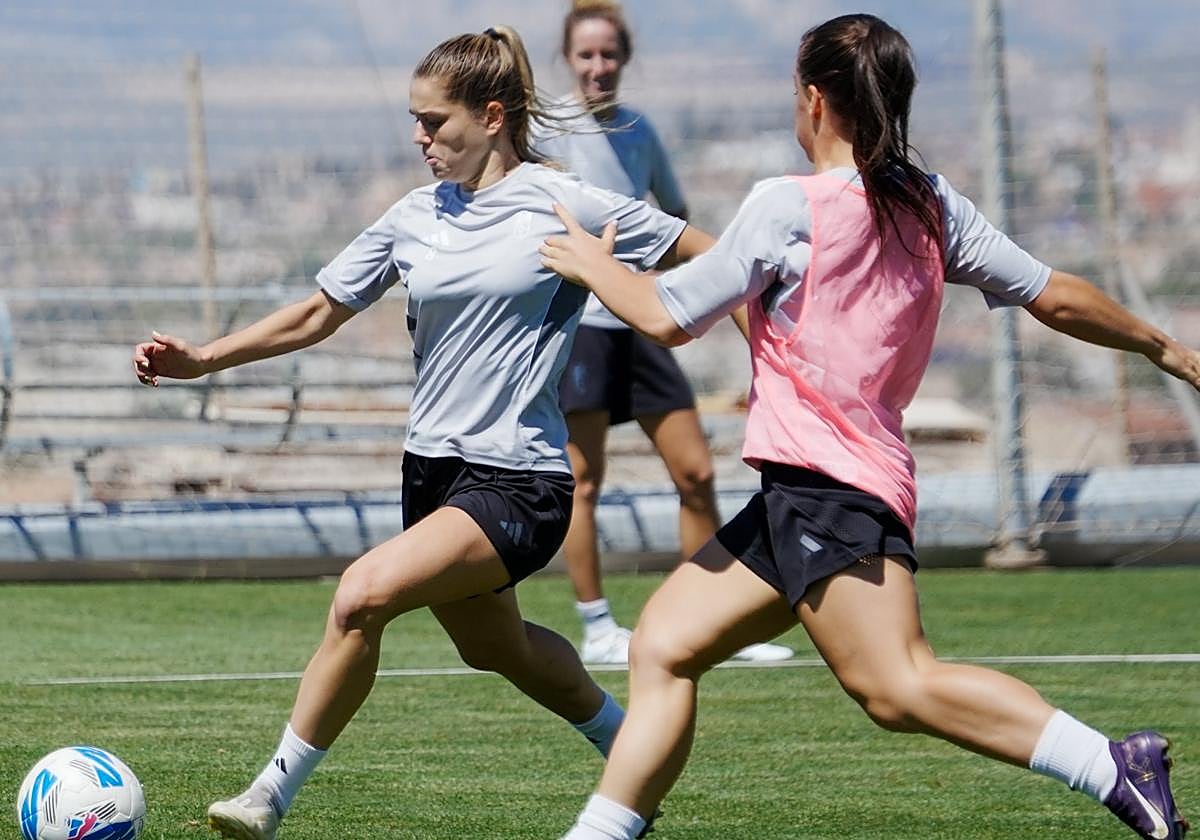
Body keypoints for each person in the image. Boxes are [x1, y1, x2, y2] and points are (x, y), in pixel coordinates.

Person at [542, 14, 1195, 840]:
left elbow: (667, 317)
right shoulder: (933, 203)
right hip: (802, 494)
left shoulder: (786, 205)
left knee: (897, 687)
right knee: (664, 645)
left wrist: (594, 264)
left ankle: (1111, 763)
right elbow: (1053, 293)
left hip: (832, 493)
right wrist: (1167, 348)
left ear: (815, 101)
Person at [133, 26, 712, 840]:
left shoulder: (566, 203)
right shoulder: (414, 215)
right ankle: (630, 742)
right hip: (431, 476)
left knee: (361, 595)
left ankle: (267, 796)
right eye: (414, 119)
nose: (418, 137)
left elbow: (711, 256)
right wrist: (204, 359)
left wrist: (770, 342)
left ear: (492, 116)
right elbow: (317, 312)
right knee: (498, 650)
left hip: (519, 480)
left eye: (434, 121)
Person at [535, 0, 793, 665]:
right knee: (582, 480)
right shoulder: (548, 131)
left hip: (642, 323)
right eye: (586, 55)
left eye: (609, 54)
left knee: (696, 471)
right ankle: (597, 627)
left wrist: (662, 284)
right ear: (568, 59)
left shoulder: (640, 131)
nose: (598, 67)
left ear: (625, 58)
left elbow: (674, 217)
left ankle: (710, 622)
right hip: (582, 328)